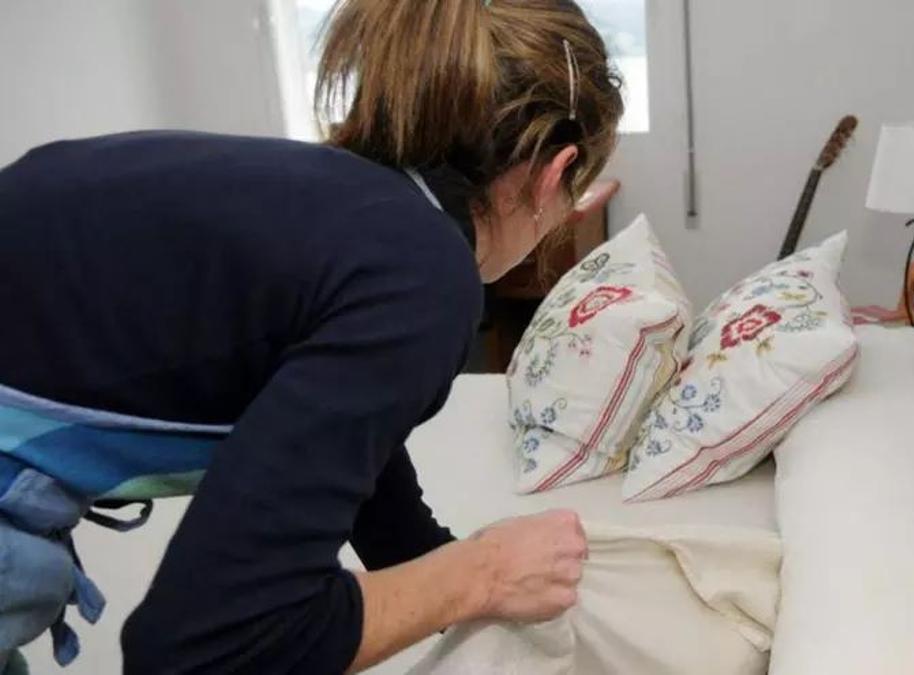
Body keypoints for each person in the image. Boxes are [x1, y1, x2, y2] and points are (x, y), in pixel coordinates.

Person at [0, 0, 623, 672]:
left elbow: (352, 450)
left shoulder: (334, 207)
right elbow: (196, 647)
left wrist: (453, 571)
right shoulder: (425, 273)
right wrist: (483, 573)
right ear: (552, 174)